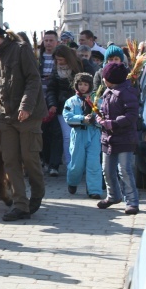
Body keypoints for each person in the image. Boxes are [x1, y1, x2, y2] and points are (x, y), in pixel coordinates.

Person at [0, 21, 47, 221]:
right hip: (5, 116)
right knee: (10, 160)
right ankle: (20, 205)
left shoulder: (21, 50)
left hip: (28, 116)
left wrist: (26, 106)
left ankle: (38, 192)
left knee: (29, 158)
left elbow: (34, 79)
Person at [96, 62, 140, 214]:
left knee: (125, 170)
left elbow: (132, 116)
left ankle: (132, 201)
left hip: (125, 139)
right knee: (107, 169)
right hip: (108, 138)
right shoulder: (107, 92)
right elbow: (103, 110)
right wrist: (99, 119)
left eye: (105, 78)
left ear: (111, 79)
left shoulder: (127, 93)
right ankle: (113, 196)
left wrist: (112, 123)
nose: (103, 80)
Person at [46, 44, 94, 169]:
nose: (59, 62)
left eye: (61, 59)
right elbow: (51, 88)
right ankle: (71, 164)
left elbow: (93, 82)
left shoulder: (82, 65)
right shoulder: (56, 69)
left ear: (67, 57)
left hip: (83, 106)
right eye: (57, 59)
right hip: (63, 107)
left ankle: (84, 163)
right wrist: (52, 104)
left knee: (82, 136)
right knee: (67, 136)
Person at [63, 73, 102, 199]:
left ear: (90, 85)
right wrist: (82, 119)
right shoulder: (71, 101)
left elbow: (103, 115)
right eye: (80, 84)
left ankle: (94, 189)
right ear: (76, 85)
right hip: (78, 135)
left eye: (86, 84)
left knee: (94, 163)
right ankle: (72, 182)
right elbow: (67, 116)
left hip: (94, 134)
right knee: (76, 164)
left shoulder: (96, 100)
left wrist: (94, 119)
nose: (83, 87)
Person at [39, 30, 63, 177]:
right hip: (40, 100)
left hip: (55, 100)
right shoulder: (38, 58)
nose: (48, 43)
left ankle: (54, 164)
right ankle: (46, 160)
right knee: (43, 133)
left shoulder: (60, 58)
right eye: (46, 40)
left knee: (56, 133)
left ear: (56, 42)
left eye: (51, 40)